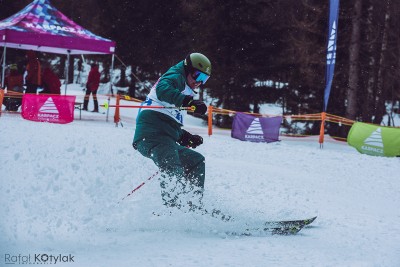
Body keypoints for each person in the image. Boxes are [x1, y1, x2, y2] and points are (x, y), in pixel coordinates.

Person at [132, 53, 213, 214]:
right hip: (151, 134)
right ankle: (173, 212)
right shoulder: (176, 76)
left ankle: (193, 206)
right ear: (187, 69)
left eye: (204, 79)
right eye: (197, 75)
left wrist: (184, 136)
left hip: (162, 135)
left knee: (196, 161)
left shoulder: (184, 88)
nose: (199, 82)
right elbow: (163, 89)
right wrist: (187, 102)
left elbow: (168, 120)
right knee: (173, 166)